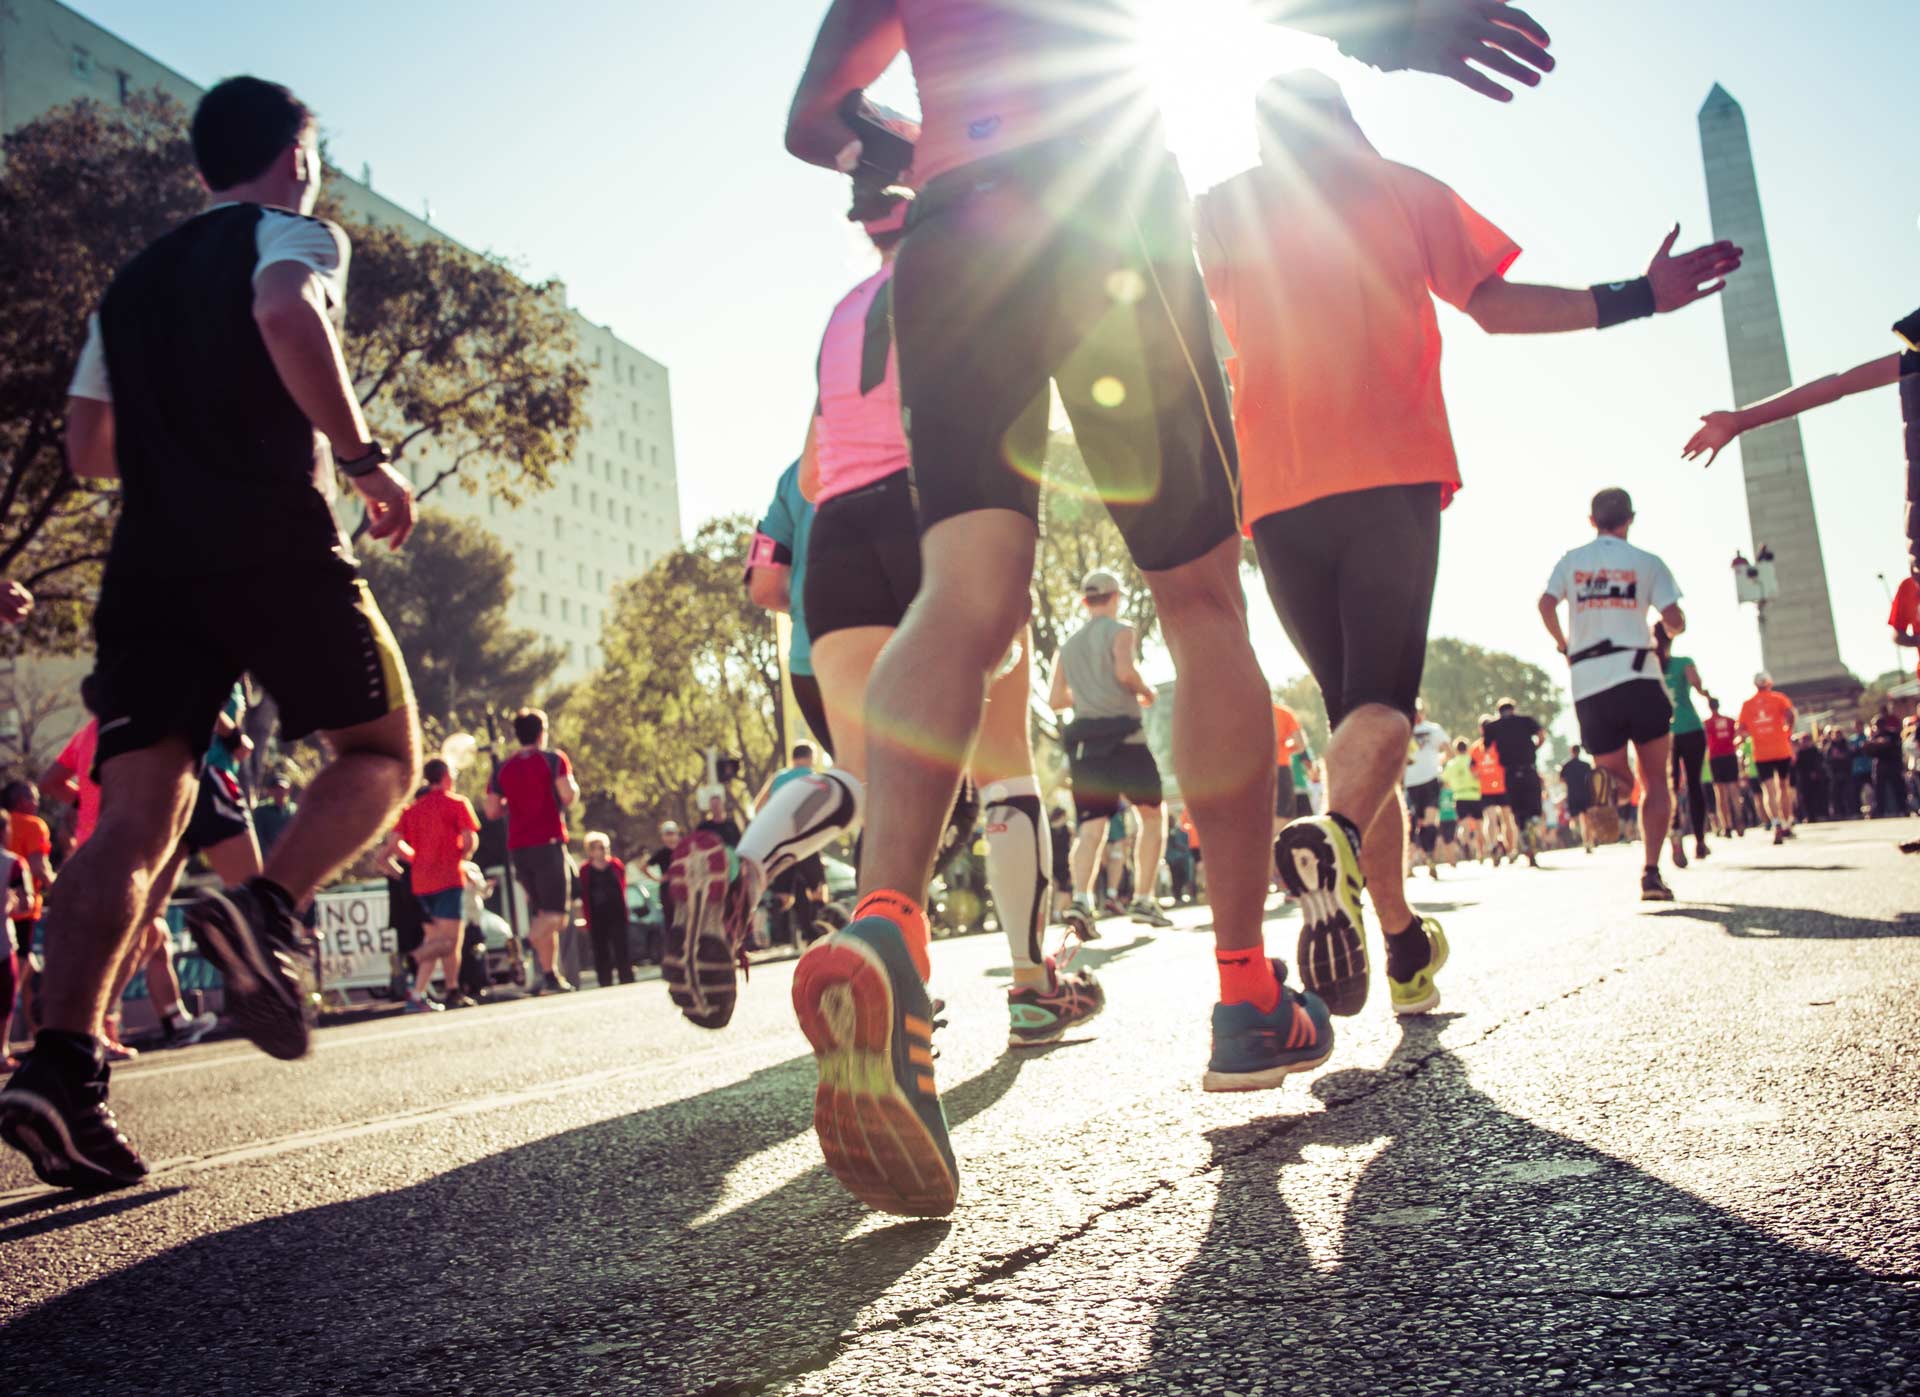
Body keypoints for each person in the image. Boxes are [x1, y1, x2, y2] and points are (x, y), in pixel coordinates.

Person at [783, 0, 1561, 1216]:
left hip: (951, 228)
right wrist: (1381, 28)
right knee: (1199, 599)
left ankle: (885, 923)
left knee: (967, 589)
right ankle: (1247, 990)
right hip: (1102, 207)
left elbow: (815, 123)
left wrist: (907, 147)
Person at [1194, 68, 1734, 1017]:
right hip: (1386, 473)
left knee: (1358, 723)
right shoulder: (1399, 186)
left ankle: (1401, 943)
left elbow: (1187, 337)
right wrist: (1638, 296)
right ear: (1345, 117)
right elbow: (1494, 302)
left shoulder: (1220, 211)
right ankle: (1332, 837)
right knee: (1382, 712)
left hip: (1274, 498)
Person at [0, 77, 421, 1192]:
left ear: (200, 169)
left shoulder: (128, 286)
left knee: (136, 816)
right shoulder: (295, 232)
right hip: (274, 532)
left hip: (150, 561)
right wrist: (367, 459)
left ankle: (60, 1067)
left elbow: (90, 445)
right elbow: (285, 313)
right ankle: (266, 910)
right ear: (295, 157)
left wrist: (179, 454)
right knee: (383, 752)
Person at [669, 168, 1098, 1060]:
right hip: (932, 510)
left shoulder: (841, 312)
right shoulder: (966, 267)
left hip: (838, 542)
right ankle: (1030, 987)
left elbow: (816, 472)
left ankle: (744, 864)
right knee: (1004, 766)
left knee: (861, 776)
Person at [1538, 488, 1685, 901]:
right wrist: (1669, 629)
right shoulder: (1647, 563)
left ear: (1591, 521)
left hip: (1591, 680)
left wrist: (1564, 644)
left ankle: (1604, 785)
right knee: (1657, 781)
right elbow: (1675, 619)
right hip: (1638, 672)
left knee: (1619, 777)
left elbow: (1545, 604)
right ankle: (1651, 873)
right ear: (1630, 519)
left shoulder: (1572, 561)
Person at [1051, 573, 1172, 931]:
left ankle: (1081, 902)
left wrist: (1088, 695)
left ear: (1086, 601)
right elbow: (1124, 671)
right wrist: (1146, 691)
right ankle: (1144, 900)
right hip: (1125, 738)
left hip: (1086, 744)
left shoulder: (1068, 647)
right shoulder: (1122, 631)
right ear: (1115, 596)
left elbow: (1056, 700)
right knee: (1152, 817)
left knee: (1091, 828)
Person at [486, 708, 578, 995]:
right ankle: (521, 946)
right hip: (548, 844)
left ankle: (550, 976)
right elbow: (568, 795)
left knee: (541, 913)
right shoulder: (553, 759)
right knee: (557, 917)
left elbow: (491, 810)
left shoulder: (503, 768)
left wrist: (513, 803)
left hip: (519, 849)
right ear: (542, 731)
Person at [384, 759, 480, 1011]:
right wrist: (459, 855)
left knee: (436, 939)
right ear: (446, 776)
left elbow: (394, 843)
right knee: (449, 942)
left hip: (421, 882)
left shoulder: (412, 810)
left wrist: (414, 858)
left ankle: (422, 994)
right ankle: (411, 960)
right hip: (447, 879)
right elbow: (470, 839)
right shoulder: (456, 803)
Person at [750, 461, 832, 757]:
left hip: (811, 657)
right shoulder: (912, 440)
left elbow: (762, 587)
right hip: (906, 643)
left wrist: (805, 605)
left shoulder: (792, 479)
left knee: (862, 780)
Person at [751, 746, 832, 947]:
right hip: (806, 839)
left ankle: (765, 914)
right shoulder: (815, 778)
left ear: (792, 758)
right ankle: (823, 929)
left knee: (785, 897)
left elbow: (757, 806)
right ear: (811, 758)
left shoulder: (778, 777)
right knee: (818, 890)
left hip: (782, 842)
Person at [1657, 627, 1712, 865]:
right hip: (1690, 727)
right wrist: (1705, 693)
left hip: (1664, 732)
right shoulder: (1684, 663)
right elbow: (1698, 685)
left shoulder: (1651, 667)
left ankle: (1676, 834)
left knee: (1670, 785)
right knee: (1693, 784)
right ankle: (1699, 840)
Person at [1482, 699, 1545, 868]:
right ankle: (1533, 821)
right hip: (1529, 769)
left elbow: (1487, 749)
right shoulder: (1526, 721)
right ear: (1513, 709)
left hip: (1510, 773)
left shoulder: (1493, 727)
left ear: (1498, 711)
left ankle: (1525, 831)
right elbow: (1541, 735)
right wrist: (1533, 748)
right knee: (1534, 805)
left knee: (1517, 811)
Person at [1738, 675, 1797, 844]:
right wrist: (1787, 731)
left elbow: (1741, 729)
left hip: (1761, 752)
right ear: (1769, 683)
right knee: (1783, 787)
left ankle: (1776, 823)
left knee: (1769, 790)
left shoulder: (1747, 704)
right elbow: (1790, 714)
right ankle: (1787, 823)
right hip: (1781, 748)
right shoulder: (1779, 698)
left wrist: (1755, 733)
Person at [577, 833, 635, 987]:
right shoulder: (585, 869)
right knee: (601, 951)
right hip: (597, 916)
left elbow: (623, 887)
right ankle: (605, 982)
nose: (603, 851)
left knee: (622, 948)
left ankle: (627, 980)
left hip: (617, 913)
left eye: (605, 847)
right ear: (591, 850)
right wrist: (585, 917)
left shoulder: (616, 865)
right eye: (599, 848)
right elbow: (583, 894)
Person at [1403, 700, 1450, 878]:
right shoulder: (1432, 729)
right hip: (1422, 781)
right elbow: (1449, 752)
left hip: (1416, 782)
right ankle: (1426, 855)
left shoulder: (1403, 729)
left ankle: (1423, 857)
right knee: (1423, 822)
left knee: (1420, 822)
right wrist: (1436, 762)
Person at [1470, 725, 1514, 864]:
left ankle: (1510, 849)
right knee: (1494, 818)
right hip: (1488, 789)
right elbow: (1472, 768)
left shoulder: (1499, 744)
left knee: (1503, 819)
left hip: (1501, 787)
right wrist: (1479, 774)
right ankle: (1494, 847)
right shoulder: (1476, 748)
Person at [1703, 698, 1744, 840]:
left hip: (1716, 758)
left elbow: (1704, 743)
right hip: (1730, 756)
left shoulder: (1707, 724)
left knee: (1720, 794)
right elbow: (1739, 736)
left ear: (1709, 707)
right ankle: (1739, 820)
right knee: (1733, 790)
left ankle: (1727, 825)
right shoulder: (1730, 721)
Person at [1441, 738, 1484, 863]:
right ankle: (1481, 853)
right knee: (1478, 826)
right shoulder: (1472, 760)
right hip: (1475, 794)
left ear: (1456, 749)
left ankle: (1465, 844)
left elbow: (1445, 780)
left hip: (1459, 796)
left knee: (1464, 825)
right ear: (1467, 748)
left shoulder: (1452, 763)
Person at [1869, 704, 1909, 818]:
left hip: (1893, 764)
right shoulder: (1874, 737)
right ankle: (1879, 811)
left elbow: (1897, 747)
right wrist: (1874, 743)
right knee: (1879, 790)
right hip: (1880, 765)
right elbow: (1869, 752)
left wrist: (1887, 743)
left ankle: (1903, 808)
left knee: (1898, 787)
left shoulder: (1892, 734)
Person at [1560, 745, 1597, 853]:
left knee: (1581, 819)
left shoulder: (1566, 765)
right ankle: (1588, 841)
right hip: (1585, 795)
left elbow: (1561, 779)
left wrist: (1570, 784)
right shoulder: (1586, 765)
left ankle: (1587, 841)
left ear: (1571, 751)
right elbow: (1592, 780)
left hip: (1573, 795)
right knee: (1586, 819)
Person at [253, 771, 299, 855]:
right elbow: (258, 839)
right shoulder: (261, 811)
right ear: (270, 791)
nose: (280, 791)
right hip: (268, 859)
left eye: (282, 788)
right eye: (276, 788)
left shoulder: (295, 811)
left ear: (289, 790)